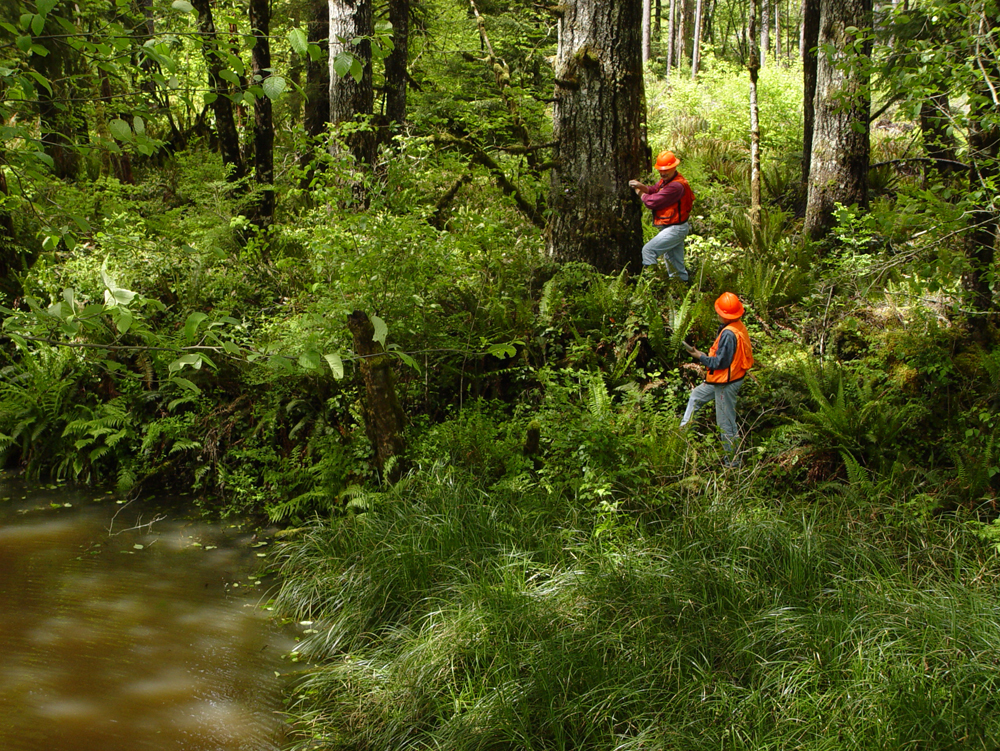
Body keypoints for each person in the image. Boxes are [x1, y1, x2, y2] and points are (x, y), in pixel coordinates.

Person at [681, 292, 754, 466]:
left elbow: (721, 362)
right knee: (696, 396)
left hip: (726, 383)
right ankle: (681, 437)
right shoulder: (736, 326)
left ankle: (732, 464)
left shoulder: (729, 334)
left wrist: (700, 356)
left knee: (725, 424)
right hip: (723, 378)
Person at [628, 150, 695, 281]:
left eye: (666, 170)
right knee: (675, 264)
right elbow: (654, 190)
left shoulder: (676, 186)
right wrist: (642, 186)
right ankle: (680, 287)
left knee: (648, 251)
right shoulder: (668, 180)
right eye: (661, 170)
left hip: (675, 228)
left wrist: (638, 191)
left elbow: (651, 201)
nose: (663, 173)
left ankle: (652, 283)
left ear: (674, 167)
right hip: (673, 227)